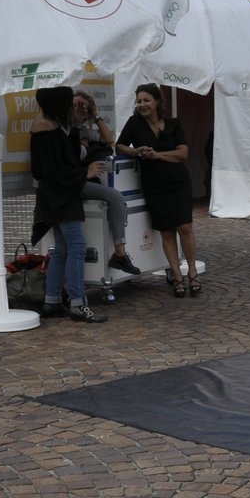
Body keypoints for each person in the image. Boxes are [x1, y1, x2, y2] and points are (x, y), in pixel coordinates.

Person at [29, 85, 106, 323]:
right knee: (77, 247)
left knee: (63, 249)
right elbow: (53, 171)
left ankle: (52, 301)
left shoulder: (56, 127)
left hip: (57, 197)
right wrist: (86, 173)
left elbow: (64, 163)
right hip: (60, 198)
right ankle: (77, 304)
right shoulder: (47, 130)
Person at [116, 83, 200, 297]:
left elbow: (182, 154)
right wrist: (137, 152)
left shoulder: (173, 124)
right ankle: (176, 276)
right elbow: (120, 146)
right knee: (167, 231)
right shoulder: (135, 124)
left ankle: (192, 272)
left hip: (178, 181)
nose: (142, 104)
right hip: (155, 184)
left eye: (146, 100)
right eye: (139, 101)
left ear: (157, 102)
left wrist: (158, 155)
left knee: (186, 227)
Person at [71, 91, 141, 282]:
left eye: (83, 107)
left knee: (115, 198)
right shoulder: (66, 130)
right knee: (116, 197)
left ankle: (119, 253)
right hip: (74, 183)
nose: (78, 109)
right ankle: (120, 253)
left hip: (83, 181)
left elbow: (109, 140)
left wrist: (95, 117)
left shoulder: (83, 130)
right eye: (75, 104)